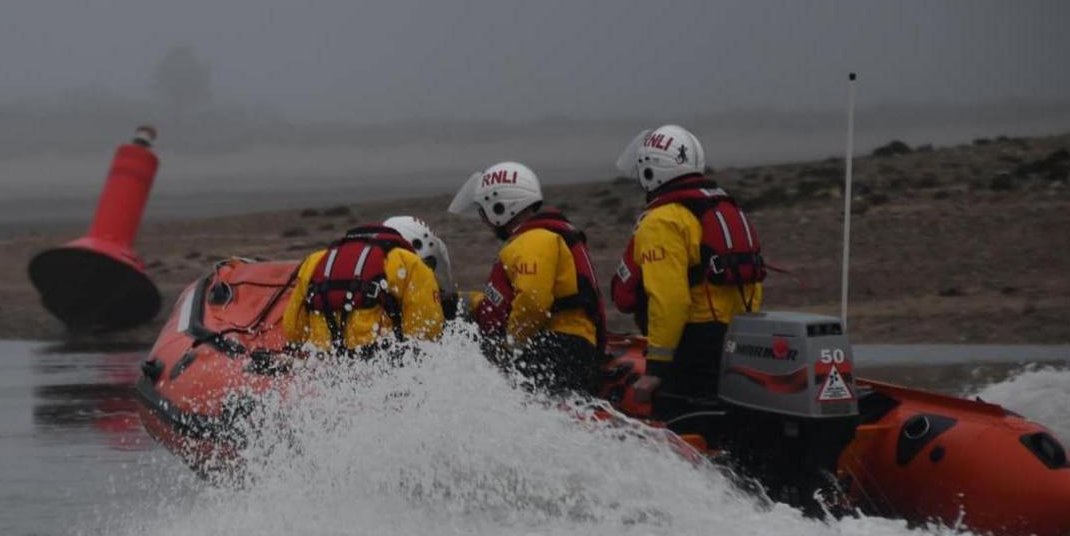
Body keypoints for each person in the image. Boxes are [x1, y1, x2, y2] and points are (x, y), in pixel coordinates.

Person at [612, 124, 765, 415]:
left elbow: (669, 299)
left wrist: (656, 367)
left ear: (650, 170)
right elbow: (753, 282)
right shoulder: (725, 209)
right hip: (738, 338)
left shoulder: (663, 220)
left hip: (691, 343)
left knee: (678, 422)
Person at [448, 161, 606, 395]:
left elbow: (533, 300)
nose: (485, 221)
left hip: (557, 346)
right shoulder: (544, 236)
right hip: (566, 343)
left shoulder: (533, 240)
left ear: (500, 207)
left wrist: (511, 347)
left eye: (484, 211)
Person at [282, 222, 444, 353]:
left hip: (326, 365)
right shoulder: (410, 263)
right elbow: (427, 330)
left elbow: (293, 329)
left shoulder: (315, 260)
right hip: (381, 363)